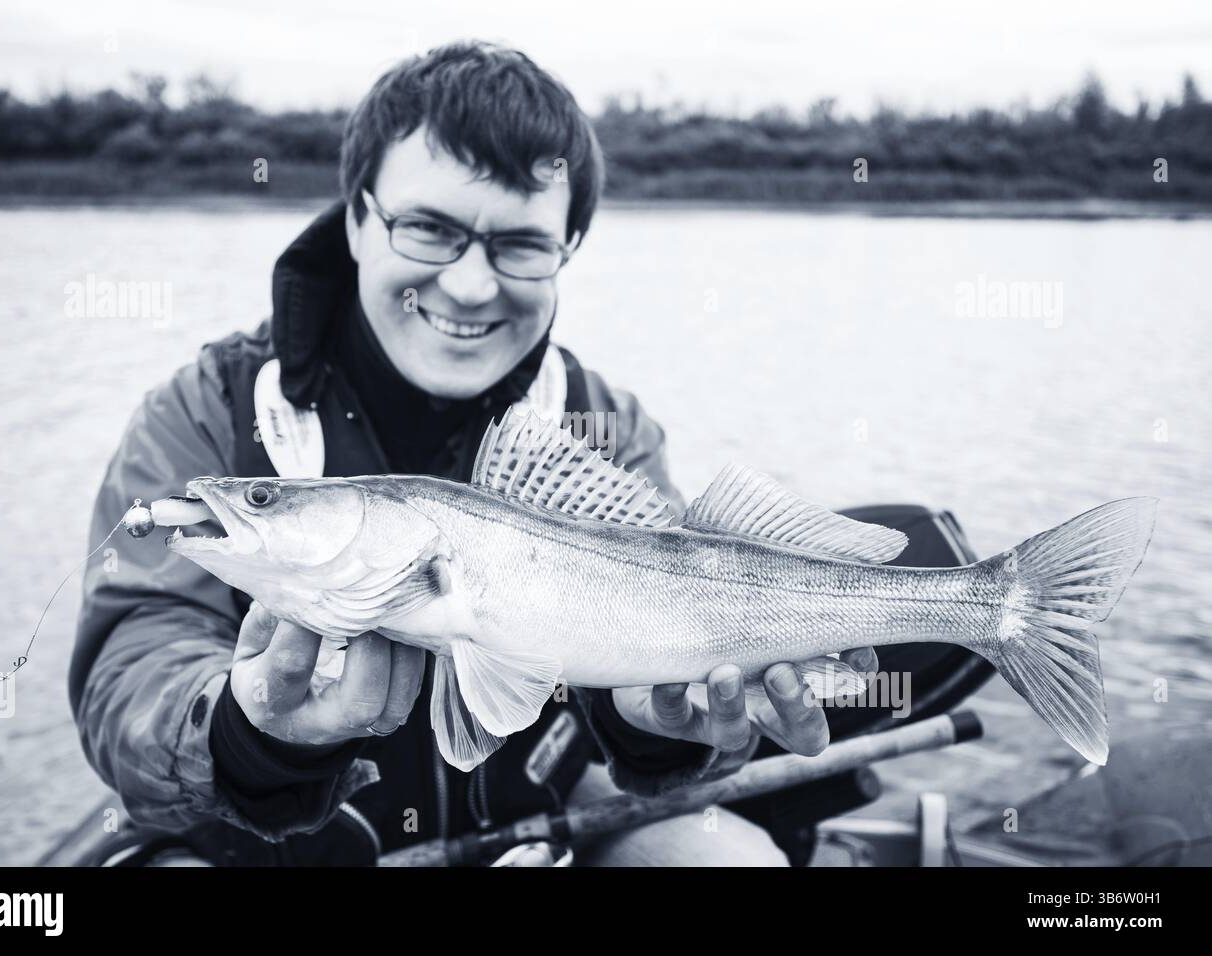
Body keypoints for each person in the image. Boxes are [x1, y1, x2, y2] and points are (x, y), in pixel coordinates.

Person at [69, 40, 878, 866]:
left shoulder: (603, 422)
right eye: (428, 228)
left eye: (521, 245)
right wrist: (245, 731)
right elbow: (134, 653)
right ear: (356, 219)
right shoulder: (207, 407)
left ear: (567, 250)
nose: (469, 284)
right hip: (261, 846)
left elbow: (671, 674)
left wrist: (656, 731)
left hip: (544, 813)